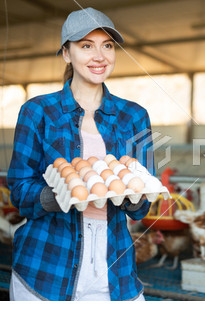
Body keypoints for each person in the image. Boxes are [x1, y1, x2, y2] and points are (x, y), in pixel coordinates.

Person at [7, 7, 153, 301]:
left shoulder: (134, 116)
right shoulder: (38, 112)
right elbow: (19, 192)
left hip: (115, 269)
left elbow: (141, 208)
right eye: (86, 46)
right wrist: (63, 192)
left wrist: (135, 195)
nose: (99, 56)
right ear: (66, 53)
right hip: (46, 265)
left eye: (107, 46)